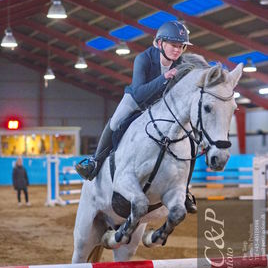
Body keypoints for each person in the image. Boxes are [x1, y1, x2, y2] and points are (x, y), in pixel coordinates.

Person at [76, 20, 197, 213]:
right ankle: (95, 161)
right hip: (135, 100)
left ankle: (186, 190)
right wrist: (164, 78)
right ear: (159, 43)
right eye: (174, 45)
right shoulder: (143, 58)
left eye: (181, 46)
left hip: (160, 107)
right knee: (115, 123)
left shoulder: (181, 63)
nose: (178, 50)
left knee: (190, 138)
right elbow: (140, 93)